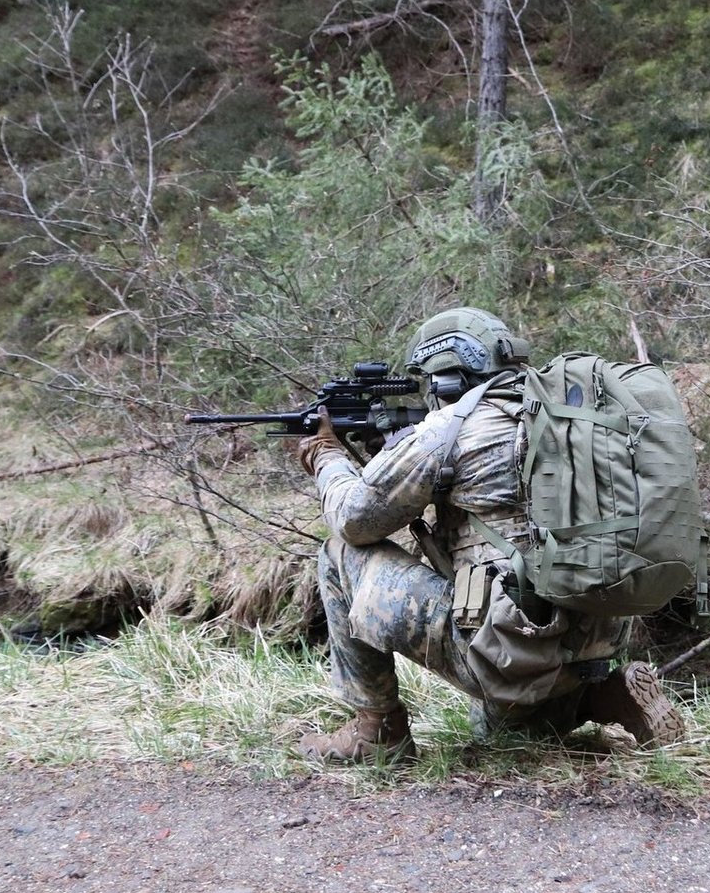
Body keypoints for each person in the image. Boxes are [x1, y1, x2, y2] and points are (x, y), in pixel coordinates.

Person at [294, 307, 686, 764]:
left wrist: (327, 455)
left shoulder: (451, 429)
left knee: (338, 552)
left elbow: (353, 519)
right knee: (497, 729)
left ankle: (377, 732)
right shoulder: (567, 418)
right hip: (591, 636)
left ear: (446, 379)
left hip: (512, 644)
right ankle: (602, 696)